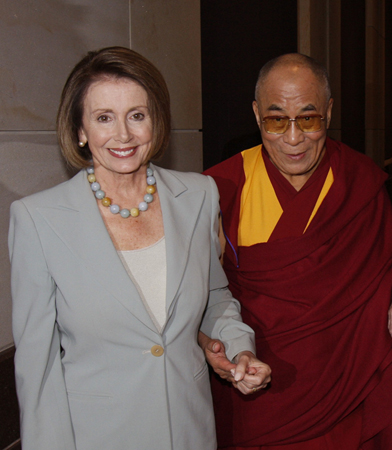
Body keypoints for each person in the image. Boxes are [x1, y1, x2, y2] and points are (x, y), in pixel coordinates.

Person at [8, 46, 271, 450]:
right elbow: (37, 369)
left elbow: (216, 299)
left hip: (190, 430)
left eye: (136, 115)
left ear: (156, 121)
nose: (123, 135)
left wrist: (239, 349)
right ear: (80, 130)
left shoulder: (198, 195)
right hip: (97, 437)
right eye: (103, 118)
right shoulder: (38, 219)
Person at [201, 53, 392, 449]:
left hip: (350, 386)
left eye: (308, 118)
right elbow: (199, 298)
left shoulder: (361, 183)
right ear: (256, 115)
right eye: (276, 120)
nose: (293, 138)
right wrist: (209, 347)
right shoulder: (219, 188)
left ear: (328, 112)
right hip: (257, 390)